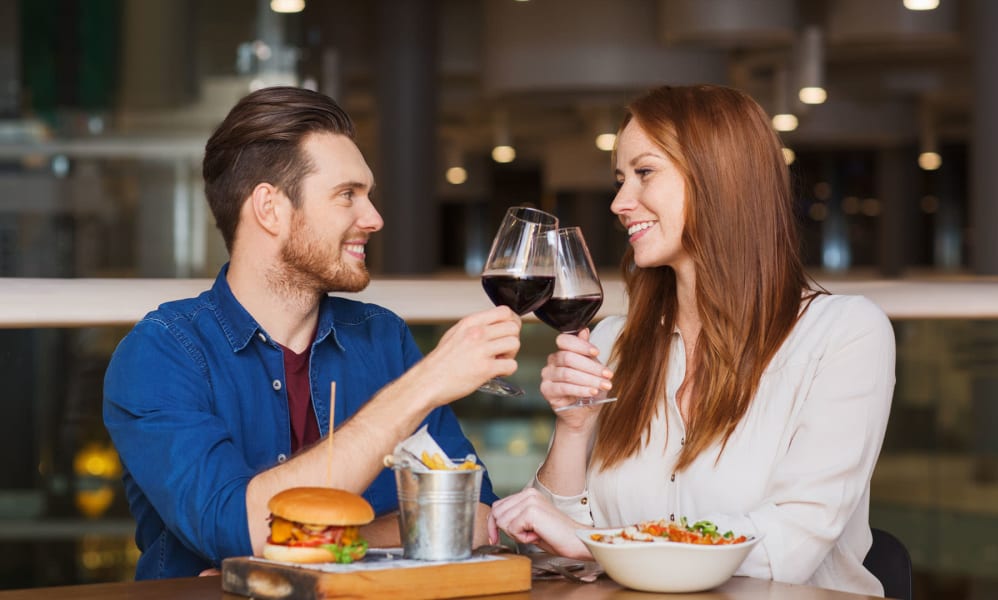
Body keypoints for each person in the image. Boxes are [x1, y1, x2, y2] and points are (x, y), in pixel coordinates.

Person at [488, 84, 895, 597]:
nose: (619, 202)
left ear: (719, 179)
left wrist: (600, 543)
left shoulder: (844, 335)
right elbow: (550, 546)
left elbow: (789, 546)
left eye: (644, 173)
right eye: (620, 179)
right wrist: (573, 428)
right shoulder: (616, 340)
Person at [104, 86, 522, 579]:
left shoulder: (383, 340)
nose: (374, 218)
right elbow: (235, 529)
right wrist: (423, 385)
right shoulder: (162, 353)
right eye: (348, 195)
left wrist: (312, 547)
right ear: (270, 209)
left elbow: (475, 519)